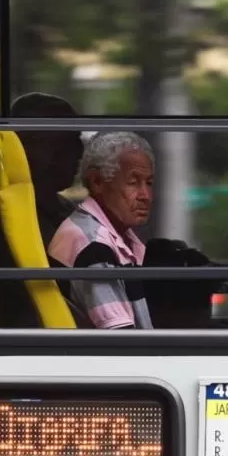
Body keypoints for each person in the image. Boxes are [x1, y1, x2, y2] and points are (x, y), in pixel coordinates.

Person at [0, 92, 84, 327]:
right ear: (25, 146)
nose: (78, 153)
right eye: (64, 142)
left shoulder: (53, 205)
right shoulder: (10, 213)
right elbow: (73, 284)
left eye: (77, 141)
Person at [48, 131, 155, 329]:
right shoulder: (92, 245)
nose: (145, 195)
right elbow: (120, 341)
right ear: (97, 182)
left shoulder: (118, 237)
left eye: (149, 183)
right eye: (133, 182)